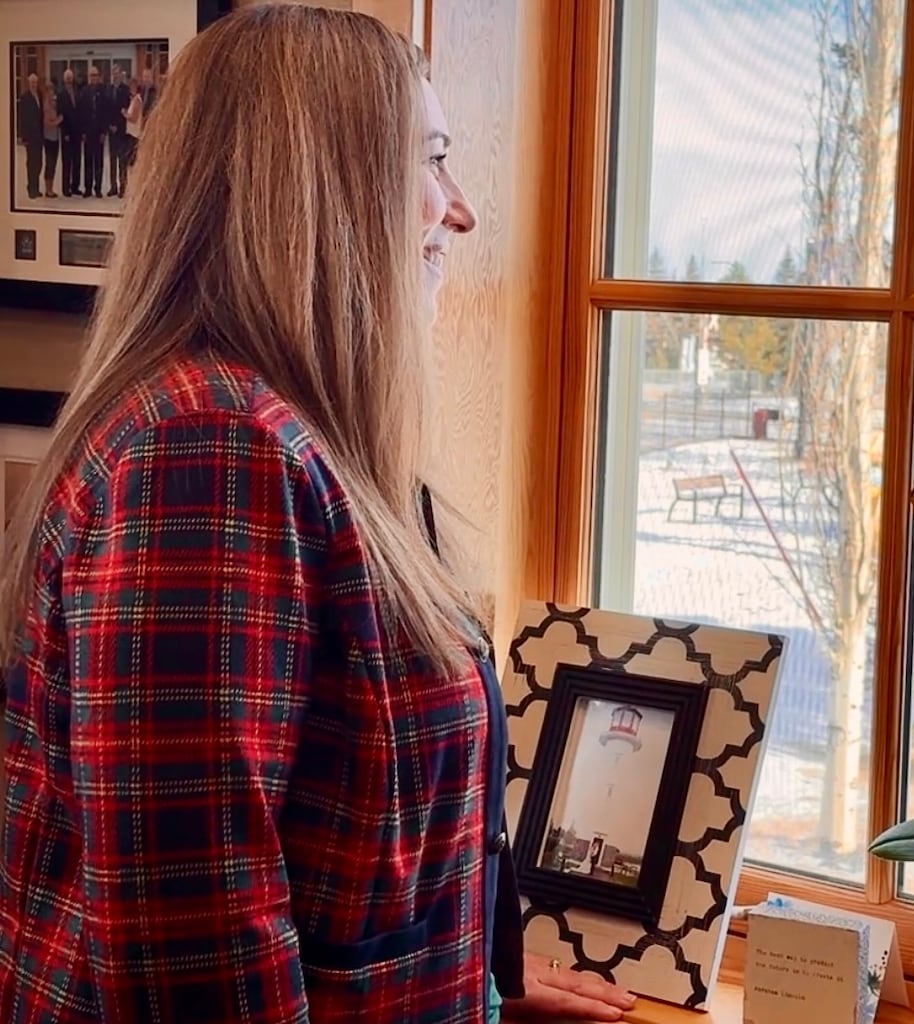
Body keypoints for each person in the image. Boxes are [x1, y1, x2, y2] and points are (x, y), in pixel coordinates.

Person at [0, 8, 635, 1024]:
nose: (459, 210)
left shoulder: (294, 436)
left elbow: (333, 871)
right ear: (321, 189)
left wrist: (475, 989)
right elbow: (195, 968)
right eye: (430, 159)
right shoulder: (205, 449)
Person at [82, 64, 110, 198]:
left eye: (96, 75)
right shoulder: (85, 91)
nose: (94, 78)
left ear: (99, 77)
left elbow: (106, 114)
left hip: (99, 133)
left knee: (98, 162)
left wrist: (104, 132)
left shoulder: (103, 92)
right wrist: (83, 133)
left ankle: (97, 188)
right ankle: (87, 188)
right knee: (88, 161)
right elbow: (81, 113)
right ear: (89, 77)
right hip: (88, 133)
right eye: (91, 75)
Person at [56, 67, 82, 197]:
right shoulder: (60, 95)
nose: (69, 80)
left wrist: (82, 132)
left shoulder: (77, 92)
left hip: (77, 133)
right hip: (67, 134)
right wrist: (64, 133)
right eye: (67, 78)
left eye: (70, 78)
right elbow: (60, 115)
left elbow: (80, 112)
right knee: (67, 162)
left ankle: (75, 187)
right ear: (64, 79)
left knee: (77, 161)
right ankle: (65, 188)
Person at [16, 72, 43, 200]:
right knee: (31, 163)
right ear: (29, 83)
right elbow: (21, 118)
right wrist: (22, 136)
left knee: (38, 163)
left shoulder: (40, 95)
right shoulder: (25, 97)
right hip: (30, 136)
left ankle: (36, 188)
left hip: (39, 136)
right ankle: (31, 188)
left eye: (35, 82)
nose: (34, 84)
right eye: (32, 82)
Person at [106, 64, 130, 196]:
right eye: (113, 73)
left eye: (117, 72)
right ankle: (113, 187)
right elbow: (106, 110)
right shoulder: (108, 90)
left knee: (122, 161)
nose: (115, 75)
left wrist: (118, 126)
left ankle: (123, 187)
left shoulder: (126, 90)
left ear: (121, 74)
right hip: (111, 130)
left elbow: (126, 110)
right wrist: (109, 125)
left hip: (121, 131)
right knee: (112, 160)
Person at [41, 78, 62, 197]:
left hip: (55, 137)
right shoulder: (46, 106)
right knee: (49, 163)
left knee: (53, 163)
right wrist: (58, 121)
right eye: (49, 90)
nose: (51, 93)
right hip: (48, 138)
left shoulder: (54, 104)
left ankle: (51, 188)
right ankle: (47, 189)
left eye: (52, 90)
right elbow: (46, 123)